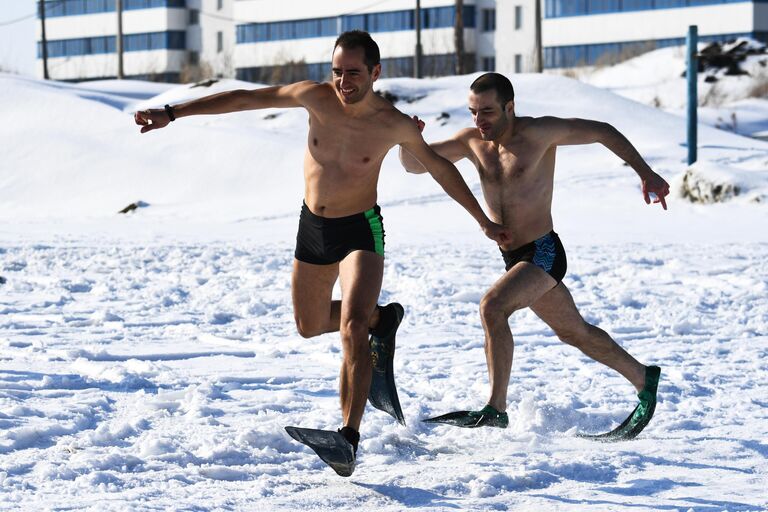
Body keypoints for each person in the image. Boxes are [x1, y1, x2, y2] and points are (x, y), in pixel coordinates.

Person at [134, 32, 510, 474]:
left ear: (375, 72)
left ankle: (347, 437)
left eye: (353, 72)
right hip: (313, 227)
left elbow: (441, 168)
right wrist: (173, 113)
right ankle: (380, 320)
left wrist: (482, 221)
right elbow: (243, 99)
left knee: (350, 327)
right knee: (309, 324)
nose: (343, 81)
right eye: (336, 71)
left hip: (360, 230)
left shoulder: (393, 123)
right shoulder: (315, 98)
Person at [400, 72, 669, 437]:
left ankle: (495, 408)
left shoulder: (541, 133)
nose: (479, 121)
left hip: (543, 251)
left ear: (510, 107)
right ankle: (643, 377)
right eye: (473, 112)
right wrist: (409, 140)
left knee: (492, 307)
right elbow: (416, 164)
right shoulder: (471, 141)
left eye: (488, 112)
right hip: (514, 258)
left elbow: (604, 131)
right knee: (575, 332)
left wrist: (646, 172)